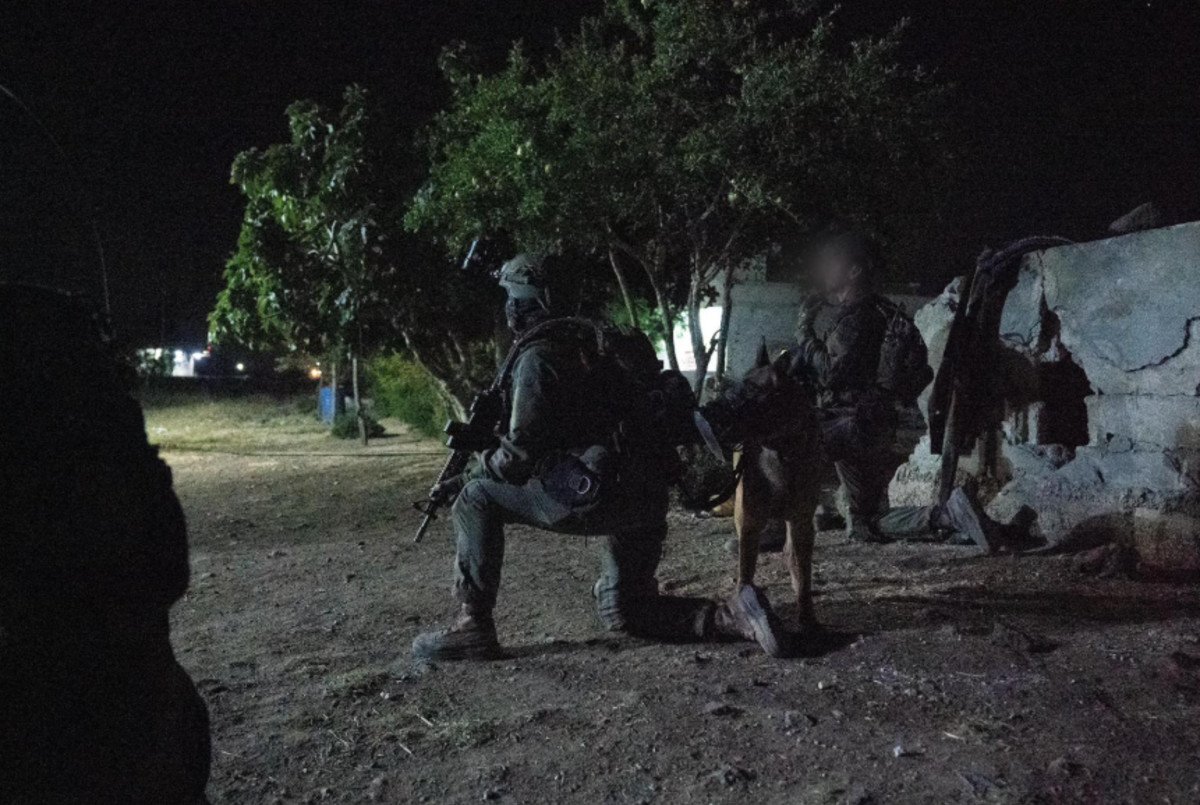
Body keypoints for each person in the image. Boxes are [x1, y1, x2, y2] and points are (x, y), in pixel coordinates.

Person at [412, 254, 790, 661]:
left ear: (528, 302)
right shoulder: (599, 343)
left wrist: (467, 476)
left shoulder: (539, 357)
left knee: (475, 499)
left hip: (594, 493)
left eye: (512, 297)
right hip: (647, 494)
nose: (508, 307)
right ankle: (735, 615)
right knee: (625, 610)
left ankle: (473, 625)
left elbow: (517, 458)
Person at [789, 232, 1002, 550]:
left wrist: (804, 332)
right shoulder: (882, 311)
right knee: (866, 522)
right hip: (874, 423)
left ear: (854, 271)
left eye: (834, 264)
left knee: (784, 442)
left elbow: (831, 373)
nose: (827, 271)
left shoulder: (856, 318)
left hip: (847, 423)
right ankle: (947, 515)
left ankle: (769, 525)